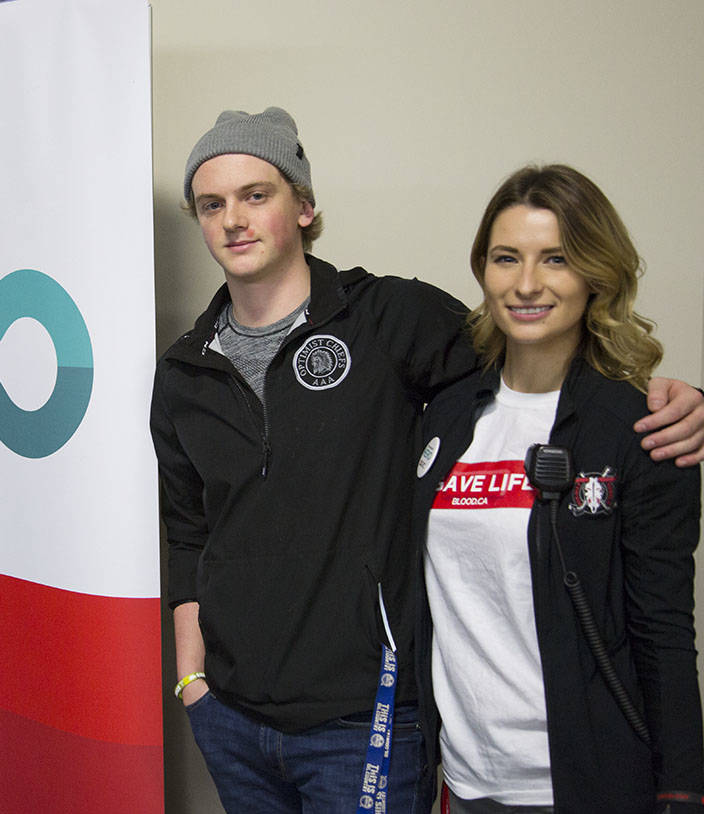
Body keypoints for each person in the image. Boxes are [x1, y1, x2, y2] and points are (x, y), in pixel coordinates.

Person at [149, 108, 704, 813]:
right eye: (212, 203)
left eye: (257, 195)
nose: (234, 219)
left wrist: (682, 399)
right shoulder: (184, 372)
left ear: (305, 205)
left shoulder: (390, 318)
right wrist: (192, 683)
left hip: (369, 721)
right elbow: (189, 532)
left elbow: (538, 361)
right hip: (234, 721)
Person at [414, 165, 703, 813]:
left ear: (596, 274)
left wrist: (683, 789)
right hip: (464, 779)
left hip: (585, 782)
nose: (525, 284)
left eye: (556, 259)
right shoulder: (448, 414)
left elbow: (663, 632)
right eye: (506, 258)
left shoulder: (638, 429)